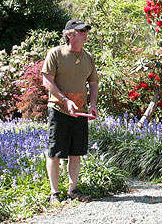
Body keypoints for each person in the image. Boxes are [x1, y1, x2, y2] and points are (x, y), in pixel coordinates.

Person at [41, 19, 99, 204]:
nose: (85, 33)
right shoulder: (56, 54)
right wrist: (65, 101)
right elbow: (47, 81)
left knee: (76, 153)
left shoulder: (88, 57)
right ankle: (54, 194)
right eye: (81, 31)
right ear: (69, 35)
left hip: (80, 112)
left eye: (85, 31)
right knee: (55, 153)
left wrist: (93, 105)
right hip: (59, 110)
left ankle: (73, 190)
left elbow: (93, 82)